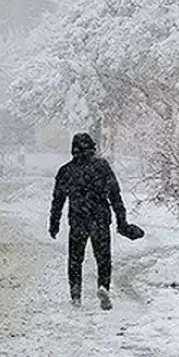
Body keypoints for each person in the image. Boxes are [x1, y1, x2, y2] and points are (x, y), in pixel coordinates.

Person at [49, 132, 133, 310]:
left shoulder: (66, 171)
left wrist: (54, 222)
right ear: (92, 148)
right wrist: (121, 221)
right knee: (103, 259)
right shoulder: (102, 167)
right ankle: (103, 288)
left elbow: (58, 200)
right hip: (100, 219)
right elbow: (115, 195)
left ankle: (76, 294)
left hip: (78, 221)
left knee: (75, 260)